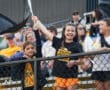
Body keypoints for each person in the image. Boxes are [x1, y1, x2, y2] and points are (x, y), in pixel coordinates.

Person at [32, 15, 86, 90]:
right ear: (64, 32)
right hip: (59, 75)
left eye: (72, 31)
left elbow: (82, 61)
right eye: (68, 30)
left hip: (71, 75)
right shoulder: (58, 42)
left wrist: (74, 62)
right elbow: (46, 32)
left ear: (75, 33)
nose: (70, 32)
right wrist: (37, 21)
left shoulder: (77, 45)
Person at [91, 18, 110, 90]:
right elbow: (92, 53)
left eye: (102, 25)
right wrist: (101, 50)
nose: (99, 26)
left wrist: (105, 49)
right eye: (99, 25)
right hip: (97, 68)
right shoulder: (97, 39)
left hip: (108, 68)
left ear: (109, 27)